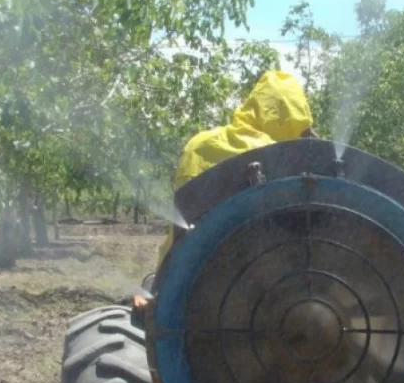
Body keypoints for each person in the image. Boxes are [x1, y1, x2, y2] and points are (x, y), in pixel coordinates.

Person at [132, 70, 317, 310]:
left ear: (253, 104)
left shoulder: (200, 144)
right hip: (276, 293)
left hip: (189, 278)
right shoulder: (296, 161)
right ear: (299, 117)